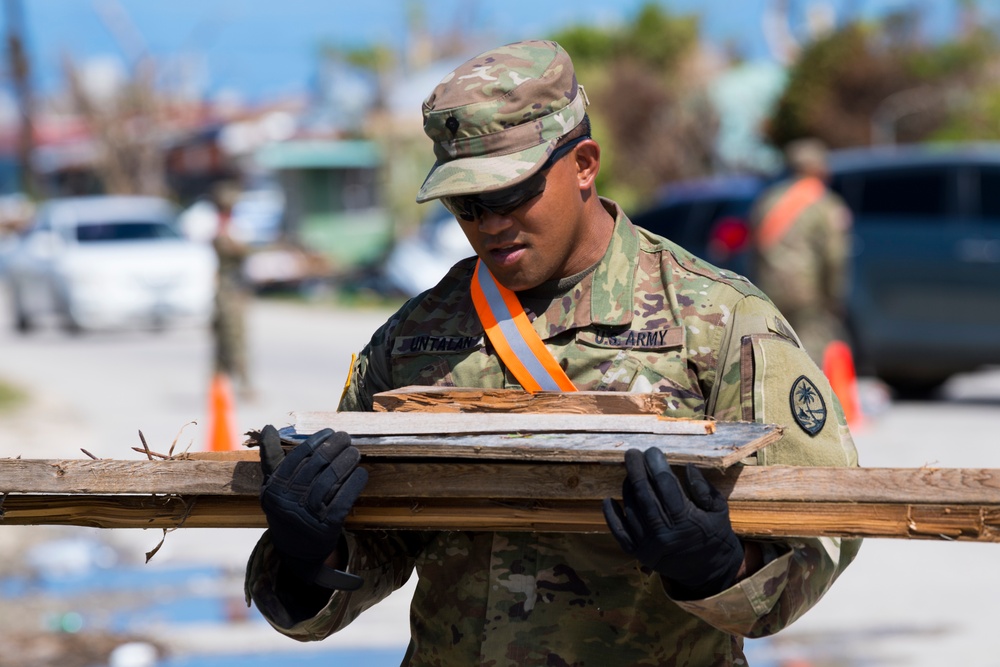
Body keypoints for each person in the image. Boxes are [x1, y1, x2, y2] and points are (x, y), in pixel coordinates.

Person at [245, 40, 860, 666]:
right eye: (465, 204)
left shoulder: (717, 319)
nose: (489, 224)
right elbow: (377, 548)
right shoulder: (415, 336)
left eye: (510, 194)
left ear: (584, 164)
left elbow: (823, 530)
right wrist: (308, 553)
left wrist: (720, 566)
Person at [748, 138, 853, 366]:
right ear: (819, 168)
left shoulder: (768, 200)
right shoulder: (825, 203)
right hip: (808, 293)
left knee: (774, 353)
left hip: (769, 289)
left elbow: (754, 248)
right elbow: (834, 256)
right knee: (810, 357)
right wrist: (834, 297)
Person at [209, 180, 252, 397]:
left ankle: (234, 383)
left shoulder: (235, 225)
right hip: (226, 291)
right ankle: (222, 384)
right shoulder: (215, 225)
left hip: (234, 288)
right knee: (226, 338)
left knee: (234, 338)